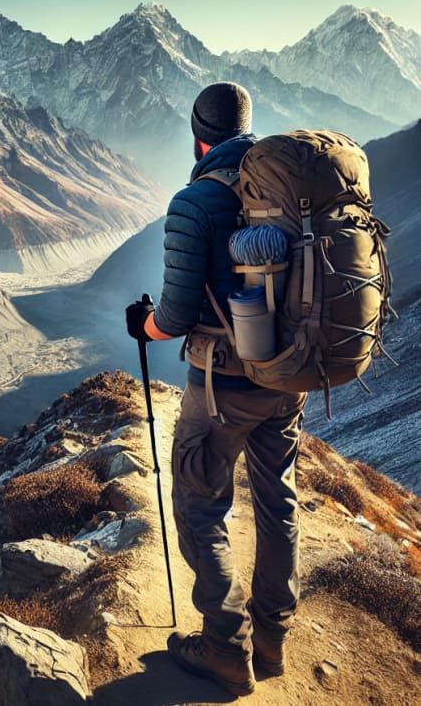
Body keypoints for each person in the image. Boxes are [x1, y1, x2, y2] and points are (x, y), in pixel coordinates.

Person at [125, 82, 307, 697]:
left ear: (199, 138)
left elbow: (175, 316)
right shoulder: (289, 189)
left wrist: (143, 326)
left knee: (200, 503)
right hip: (287, 377)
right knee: (278, 501)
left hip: (222, 384)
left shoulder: (194, 201)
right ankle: (272, 640)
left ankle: (226, 648)